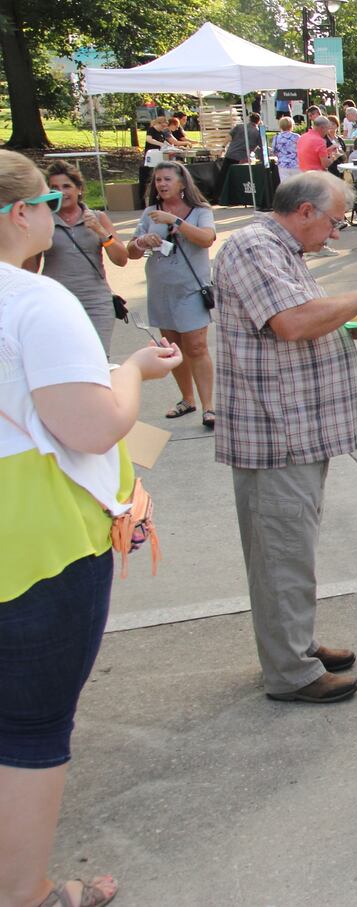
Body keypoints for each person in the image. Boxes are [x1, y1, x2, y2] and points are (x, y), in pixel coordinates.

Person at [0, 149, 183, 907]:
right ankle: (27, 890)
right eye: (47, 199)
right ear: (19, 213)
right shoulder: (35, 303)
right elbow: (90, 427)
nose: (55, 210)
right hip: (36, 544)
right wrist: (135, 372)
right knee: (31, 727)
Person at [212, 171, 357, 704]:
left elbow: (298, 323)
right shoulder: (253, 246)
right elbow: (290, 322)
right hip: (276, 432)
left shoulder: (279, 249)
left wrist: (348, 322)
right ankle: (290, 670)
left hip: (294, 429)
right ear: (306, 211)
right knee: (281, 552)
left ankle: (296, 645)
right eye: (334, 222)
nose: (335, 234)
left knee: (290, 549)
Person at [127, 162, 217, 428]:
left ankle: (209, 407)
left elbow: (207, 238)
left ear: (182, 184)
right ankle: (187, 400)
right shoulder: (150, 213)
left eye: (167, 179)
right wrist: (142, 242)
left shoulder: (200, 211)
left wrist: (176, 221)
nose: (161, 185)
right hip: (161, 288)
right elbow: (130, 251)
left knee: (197, 346)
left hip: (190, 288)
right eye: (157, 180)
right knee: (173, 347)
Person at [36, 164, 128, 358]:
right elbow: (29, 268)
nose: (61, 192)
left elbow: (121, 259)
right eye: (54, 188)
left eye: (66, 186)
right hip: (57, 302)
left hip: (96, 302)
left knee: (98, 360)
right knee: (63, 360)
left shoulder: (97, 217)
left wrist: (101, 232)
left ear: (79, 189)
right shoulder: (44, 221)